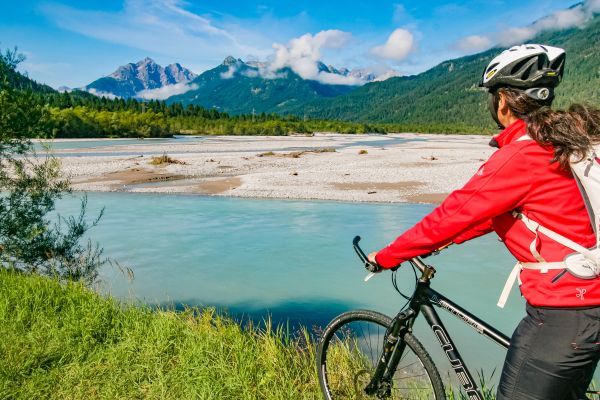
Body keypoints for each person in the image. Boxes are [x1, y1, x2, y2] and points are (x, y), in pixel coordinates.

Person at [367, 44, 600, 400]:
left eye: (492, 96)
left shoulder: (522, 153)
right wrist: (450, 241)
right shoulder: (561, 142)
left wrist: (387, 255)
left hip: (566, 310)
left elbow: (453, 213)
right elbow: (510, 214)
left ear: (502, 101)